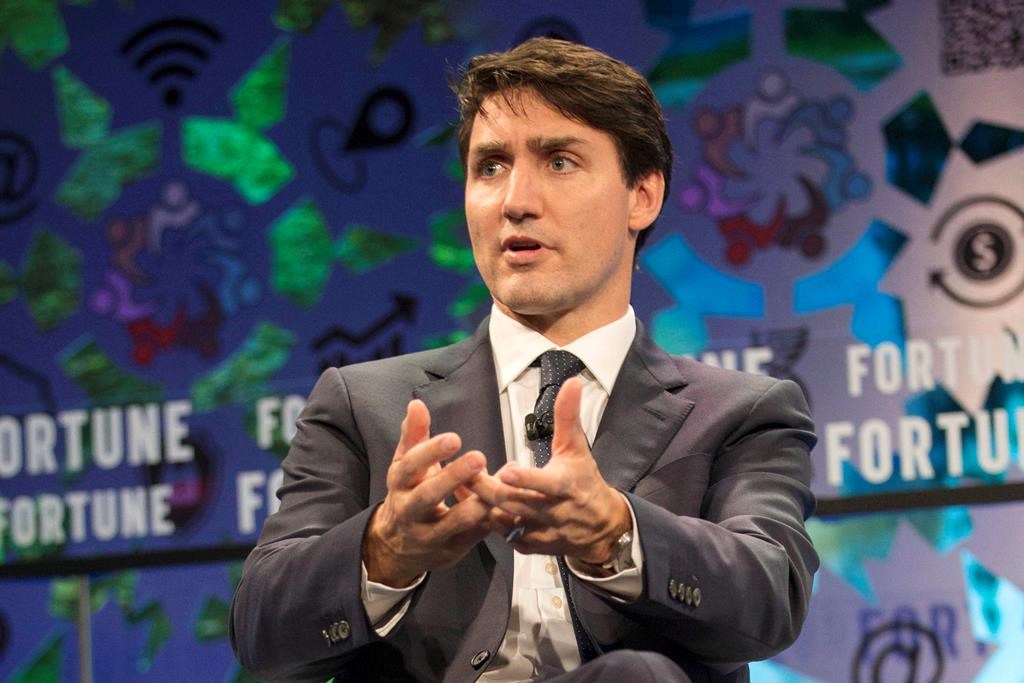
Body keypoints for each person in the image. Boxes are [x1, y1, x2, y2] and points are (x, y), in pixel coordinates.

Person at [230, 37, 818, 682]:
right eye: (490, 166)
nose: (515, 200)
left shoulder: (741, 413)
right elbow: (262, 631)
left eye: (560, 161)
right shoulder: (365, 405)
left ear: (642, 195)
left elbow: (769, 601)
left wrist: (618, 534)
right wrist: (384, 550)